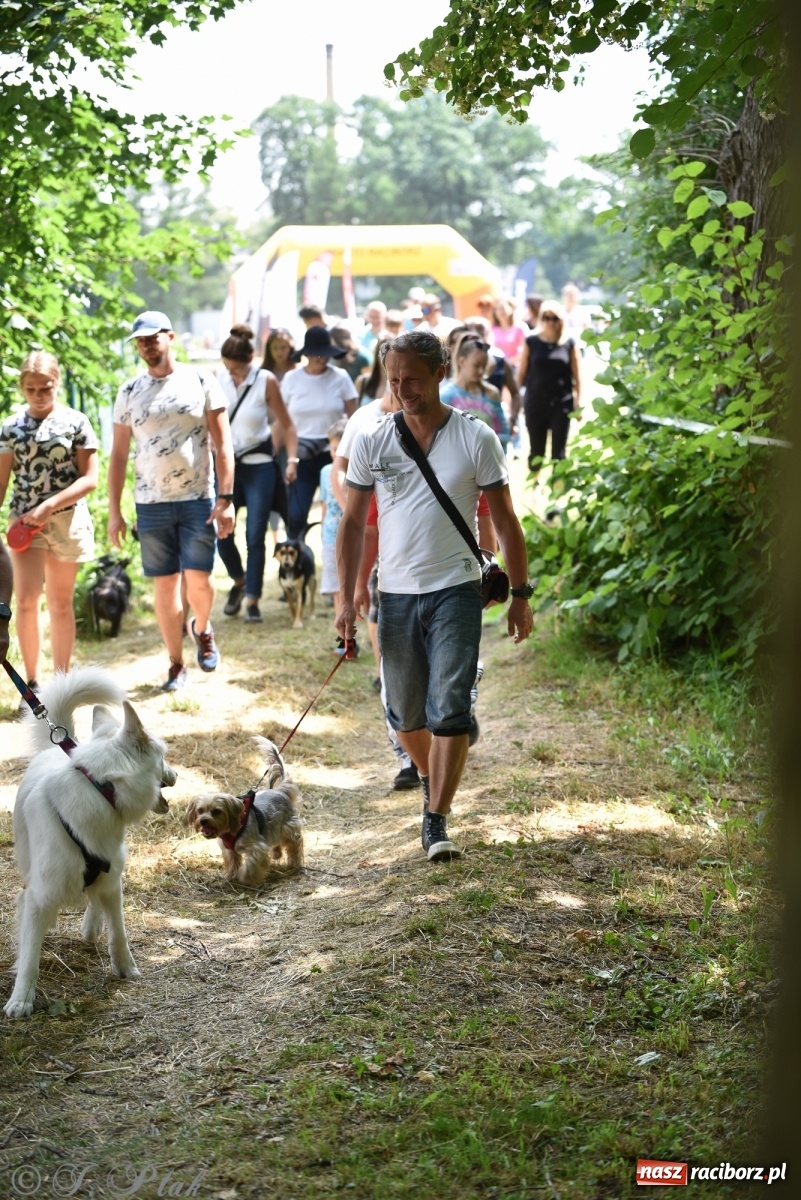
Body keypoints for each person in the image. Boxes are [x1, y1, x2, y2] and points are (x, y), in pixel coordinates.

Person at [335, 329, 534, 863]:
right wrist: (345, 596)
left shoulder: (475, 438)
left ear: (439, 374)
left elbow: (508, 521)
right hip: (395, 593)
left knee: (449, 704)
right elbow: (353, 524)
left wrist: (520, 593)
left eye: (413, 380)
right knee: (404, 714)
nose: (403, 390)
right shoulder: (373, 440)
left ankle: (436, 818)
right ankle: (428, 774)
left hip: (457, 587)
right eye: (394, 380)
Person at [108, 310, 235, 692]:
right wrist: (114, 511)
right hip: (151, 503)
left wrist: (226, 498)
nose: (146, 345)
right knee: (165, 586)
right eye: (140, 340)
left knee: (200, 579)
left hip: (198, 496)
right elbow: (117, 455)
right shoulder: (129, 391)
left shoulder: (200, 379)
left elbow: (224, 443)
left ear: (171, 337)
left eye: (153, 337)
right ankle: (176, 664)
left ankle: (202, 627)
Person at [0, 351, 98, 692]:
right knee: (26, 601)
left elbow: (90, 479)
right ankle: (33, 683)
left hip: (67, 521)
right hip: (24, 526)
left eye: (46, 387)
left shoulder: (77, 421)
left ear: (57, 383)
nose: (39, 395)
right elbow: (1, 482)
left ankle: (61, 683)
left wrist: (49, 506)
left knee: (59, 602)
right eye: (31, 389)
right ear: (22, 388)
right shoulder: (10, 427)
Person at [215, 324, 298, 624]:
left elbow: (287, 425)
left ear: (250, 360)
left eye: (237, 370)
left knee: (255, 535)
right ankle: (239, 581)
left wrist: (292, 460)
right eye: (229, 370)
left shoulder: (265, 380)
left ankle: (253, 599)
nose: (233, 375)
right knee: (222, 532)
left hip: (259, 464)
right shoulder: (216, 378)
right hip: (226, 466)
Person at [280, 326, 358, 540]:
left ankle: (337, 558)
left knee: (338, 509)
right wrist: (285, 457)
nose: (322, 358)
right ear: (306, 354)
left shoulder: (340, 377)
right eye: (317, 354)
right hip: (300, 453)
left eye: (326, 353)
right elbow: (283, 421)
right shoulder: (291, 379)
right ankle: (295, 560)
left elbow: (355, 419)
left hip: (334, 452)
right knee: (296, 514)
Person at [517, 299, 582, 475]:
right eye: (546, 318)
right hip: (536, 401)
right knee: (536, 449)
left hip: (562, 402)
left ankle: (558, 490)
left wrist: (578, 403)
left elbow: (577, 375)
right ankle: (534, 484)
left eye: (554, 318)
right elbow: (521, 374)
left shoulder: (569, 343)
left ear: (561, 320)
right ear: (541, 318)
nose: (550, 322)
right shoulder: (531, 341)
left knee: (559, 452)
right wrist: (516, 401)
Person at [441, 335, 511, 453]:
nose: (480, 371)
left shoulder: (491, 393)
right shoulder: (446, 395)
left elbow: (503, 431)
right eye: (476, 365)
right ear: (461, 361)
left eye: (483, 366)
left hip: (489, 459)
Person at [318, 418, 348, 636]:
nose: (337, 454)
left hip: (352, 539)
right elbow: (324, 505)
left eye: (342, 449)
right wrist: (322, 533)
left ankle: (353, 634)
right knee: (338, 593)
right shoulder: (325, 471)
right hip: (330, 539)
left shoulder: (359, 471)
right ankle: (344, 641)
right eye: (334, 448)